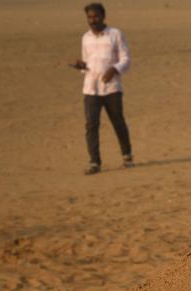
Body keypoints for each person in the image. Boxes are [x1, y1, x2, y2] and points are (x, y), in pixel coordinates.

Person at [71, 3, 134, 175]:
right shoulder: (86, 38)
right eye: (90, 17)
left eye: (96, 16)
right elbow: (87, 63)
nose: (93, 20)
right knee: (91, 125)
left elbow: (126, 59)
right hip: (91, 88)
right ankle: (94, 162)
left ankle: (127, 155)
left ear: (103, 16)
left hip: (112, 88)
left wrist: (114, 70)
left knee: (118, 122)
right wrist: (81, 66)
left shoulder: (115, 34)